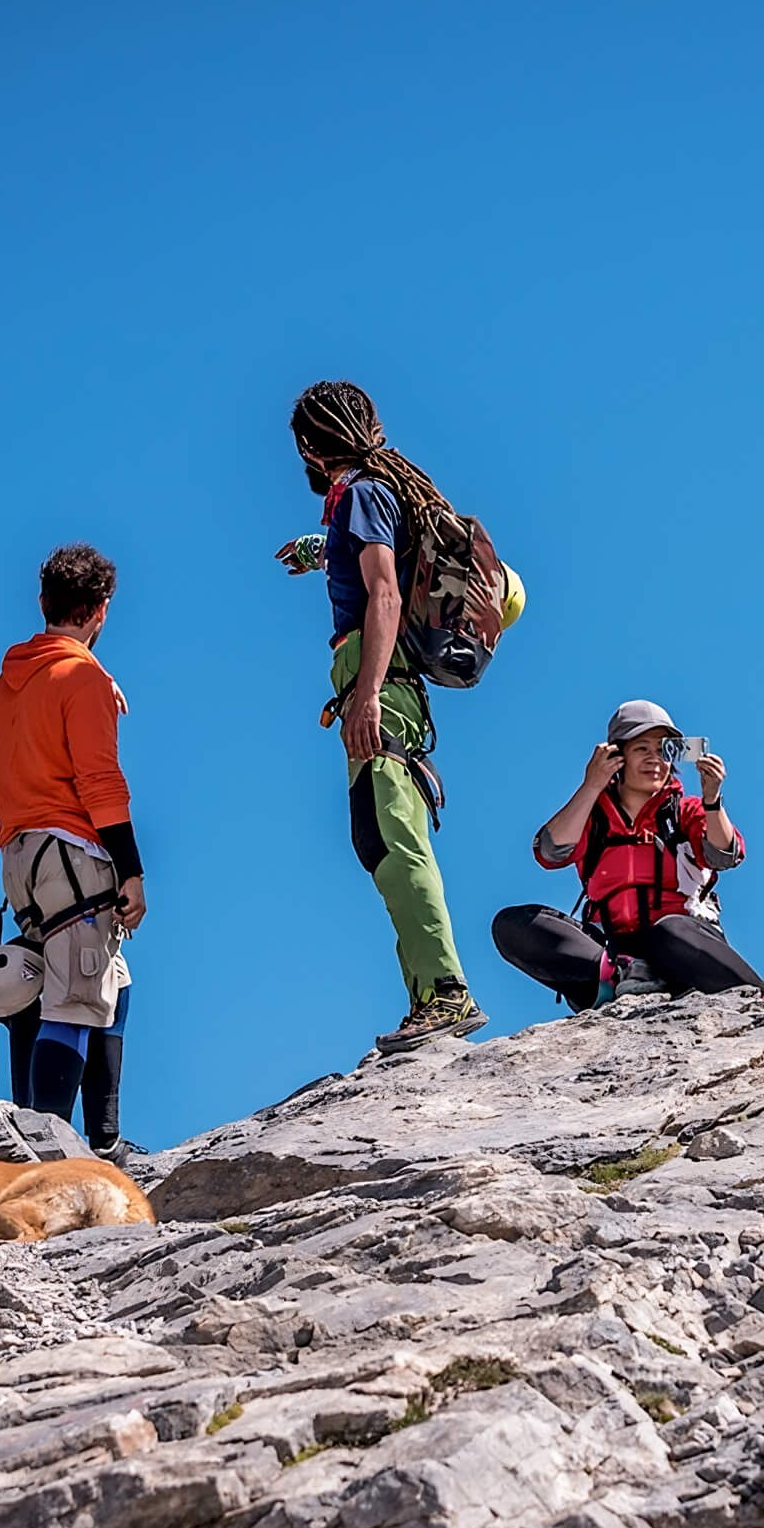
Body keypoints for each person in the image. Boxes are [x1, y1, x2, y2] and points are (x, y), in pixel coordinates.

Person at [278, 380, 487, 1053]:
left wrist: (366, 693)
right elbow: (372, 564)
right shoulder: (363, 497)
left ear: (311, 445)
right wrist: (319, 552)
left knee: (396, 837)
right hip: (378, 680)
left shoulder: (363, 493)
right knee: (377, 838)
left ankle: (448, 993)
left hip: (380, 683)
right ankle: (427, 996)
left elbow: (385, 592)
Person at [0, 543, 148, 1153]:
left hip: (22, 856)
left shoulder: (14, 679)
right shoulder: (81, 677)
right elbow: (100, 781)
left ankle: (103, 1141)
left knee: (107, 986)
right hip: (73, 853)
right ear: (101, 609)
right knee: (75, 1000)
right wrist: (130, 871)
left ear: (44, 603)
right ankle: (45, 1155)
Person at [492, 701, 764, 1008]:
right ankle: (622, 972)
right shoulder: (592, 817)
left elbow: (724, 855)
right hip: (607, 956)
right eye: (642, 749)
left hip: (681, 949)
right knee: (512, 924)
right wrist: (592, 785)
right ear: (616, 755)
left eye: (664, 750)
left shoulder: (684, 810)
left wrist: (712, 800)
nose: (655, 760)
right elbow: (550, 852)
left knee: (670, 932)